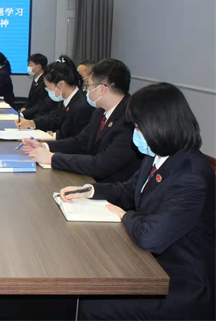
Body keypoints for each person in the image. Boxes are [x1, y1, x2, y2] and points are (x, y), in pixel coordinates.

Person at [60, 83, 215, 320]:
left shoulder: (191, 176)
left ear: (159, 125)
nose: (135, 133)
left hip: (179, 280)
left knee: (93, 306)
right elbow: (128, 190)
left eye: (138, 127)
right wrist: (89, 191)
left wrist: (125, 216)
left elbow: (150, 236)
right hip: (149, 262)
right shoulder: (157, 155)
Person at [22, 59, 142, 183]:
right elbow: (81, 141)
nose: (85, 90)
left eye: (88, 85)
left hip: (112, 187)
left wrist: (53, 158)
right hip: (91, 180)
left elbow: (101, 165)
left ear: (101, 89)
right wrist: (45, 146)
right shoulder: (100, 111)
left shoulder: (129, 120)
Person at [17, 56, 93, 140]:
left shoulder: (81, 106)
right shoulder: (65, 100)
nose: (48, 91)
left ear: (61, 85)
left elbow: (74, 139)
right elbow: (54, 118)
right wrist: (31, 123)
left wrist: (49, 141)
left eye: (49, 87)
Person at [19, 53, 54, 119]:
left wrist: (24, 113)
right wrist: (24, 108)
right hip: (31, 113)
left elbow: (40, 104)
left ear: (38, 67)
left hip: (38, 116)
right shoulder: (36, 79)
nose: (28, 67)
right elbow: (30, 100)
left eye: (30, 65)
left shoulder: (44, 82)